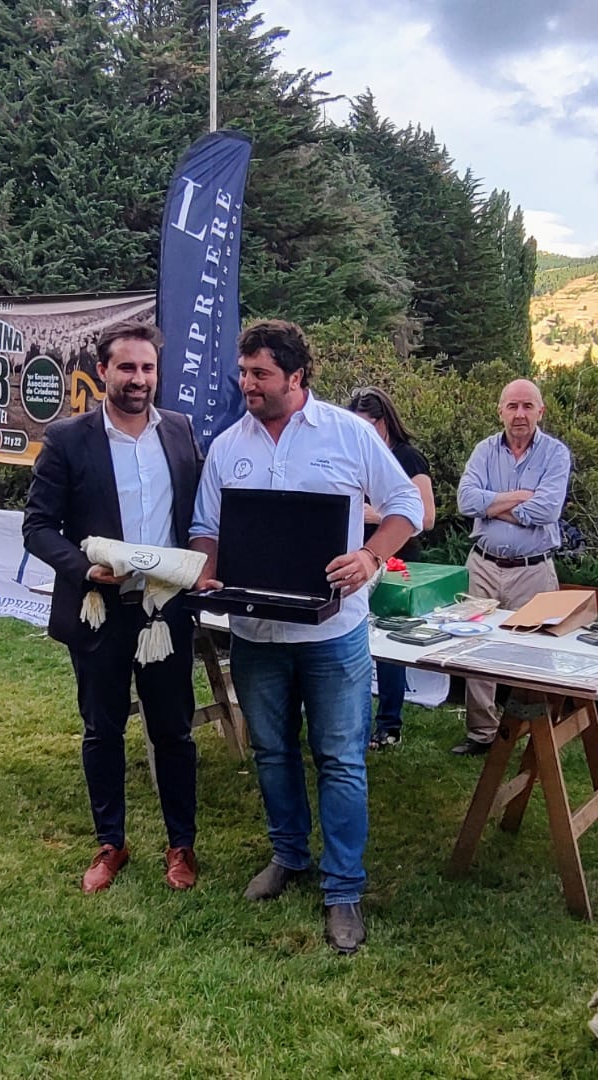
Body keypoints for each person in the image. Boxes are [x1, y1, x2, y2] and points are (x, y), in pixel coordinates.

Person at [190, 320, 422, 955]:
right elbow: (206, 524)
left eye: (259, 374)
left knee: (341, 758)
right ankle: (288, 855)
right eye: (243, 372)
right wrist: (207, 568)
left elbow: (408, 504)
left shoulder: (348, 434)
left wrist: (371, 557)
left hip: (333, 633)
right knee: (271, 751)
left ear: (296, 378)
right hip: (256, 631)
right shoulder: (226, 445)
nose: (247, 384)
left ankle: (343, 887)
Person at [22, 322, 203, 893]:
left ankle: (181, 846)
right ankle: (110, 843)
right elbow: (38, 527)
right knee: (102, 729)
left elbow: (197, 515)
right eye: (127, 368)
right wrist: (83, 569)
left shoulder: (178, 430)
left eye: (147, 368)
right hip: (99, 608)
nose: (138, 379)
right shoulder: (68, 439)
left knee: (173, 730)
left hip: (163, 612)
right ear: (102, 371)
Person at [453, 379, 571, 755]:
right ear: (500, 410)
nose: (519, 414)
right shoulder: (483, 451)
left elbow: (547, 510)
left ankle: (536, 735)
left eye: (527, 406)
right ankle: (482, 733)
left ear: (541, 411)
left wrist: (493, 506)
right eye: (512, 406)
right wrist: (520, 499)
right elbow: (465, 501)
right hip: (483, 566)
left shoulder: (555, 454)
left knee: (536, 651)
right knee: (475, 646)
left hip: (533, 569)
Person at [346, 386, 436, 750]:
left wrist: (375, 514)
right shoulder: (355, 455)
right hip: (356, 558)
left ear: (382, 424)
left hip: (396, 558)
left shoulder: (408, 458)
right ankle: (354, 719)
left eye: (364, 426)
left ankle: (390, 723)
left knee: (389, 645)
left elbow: (426, 516)